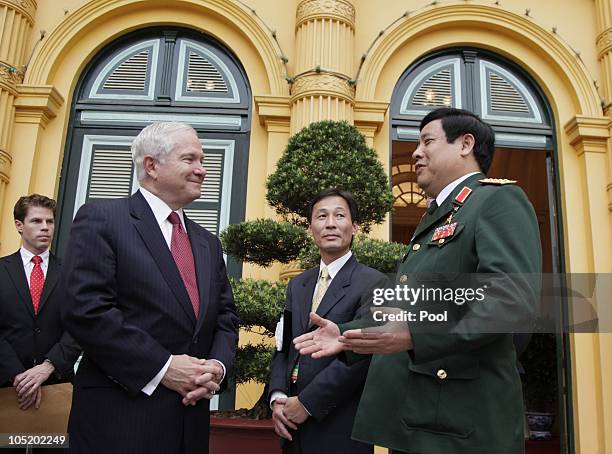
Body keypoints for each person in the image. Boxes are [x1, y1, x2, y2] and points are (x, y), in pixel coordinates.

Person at [295, 108, 542, 454]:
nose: (415, 152)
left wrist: (416, 332)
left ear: (465, 144)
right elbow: (411, 308)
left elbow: (509, 300)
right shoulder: (441, 215)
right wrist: (351, 334)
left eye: (428, 141)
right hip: (421, 419)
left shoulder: (497, 201)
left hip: (461, 424)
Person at [60, 122, 239, 454]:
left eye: (202, 160)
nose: (202, 169)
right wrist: (164, 368)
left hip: (190, 423)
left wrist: (217, 366)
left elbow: (225, 317)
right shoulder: (102, 219)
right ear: (152, 165)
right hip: (121, 422)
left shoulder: (207, 242)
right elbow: (86, 310)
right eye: (190, 159)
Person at [269, 188, 385, 454]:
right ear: (310, 229)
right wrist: (278, 398)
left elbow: (361, 355)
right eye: (321, 216)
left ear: (355, 227)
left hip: (339, 424)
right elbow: (282, 345)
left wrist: (307, 403)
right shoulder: (297, 285)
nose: (330, 223)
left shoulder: (374, 282)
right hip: (290, 424)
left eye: (339, 216)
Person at [0, 194, 80, 453]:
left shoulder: (71, 272)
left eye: (50, 221)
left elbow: (79, 326)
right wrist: (19, 377)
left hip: (57, 386)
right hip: (6, 389)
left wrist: (47, 367)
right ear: (19, 225)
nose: (45, 227)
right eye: (36, 221)